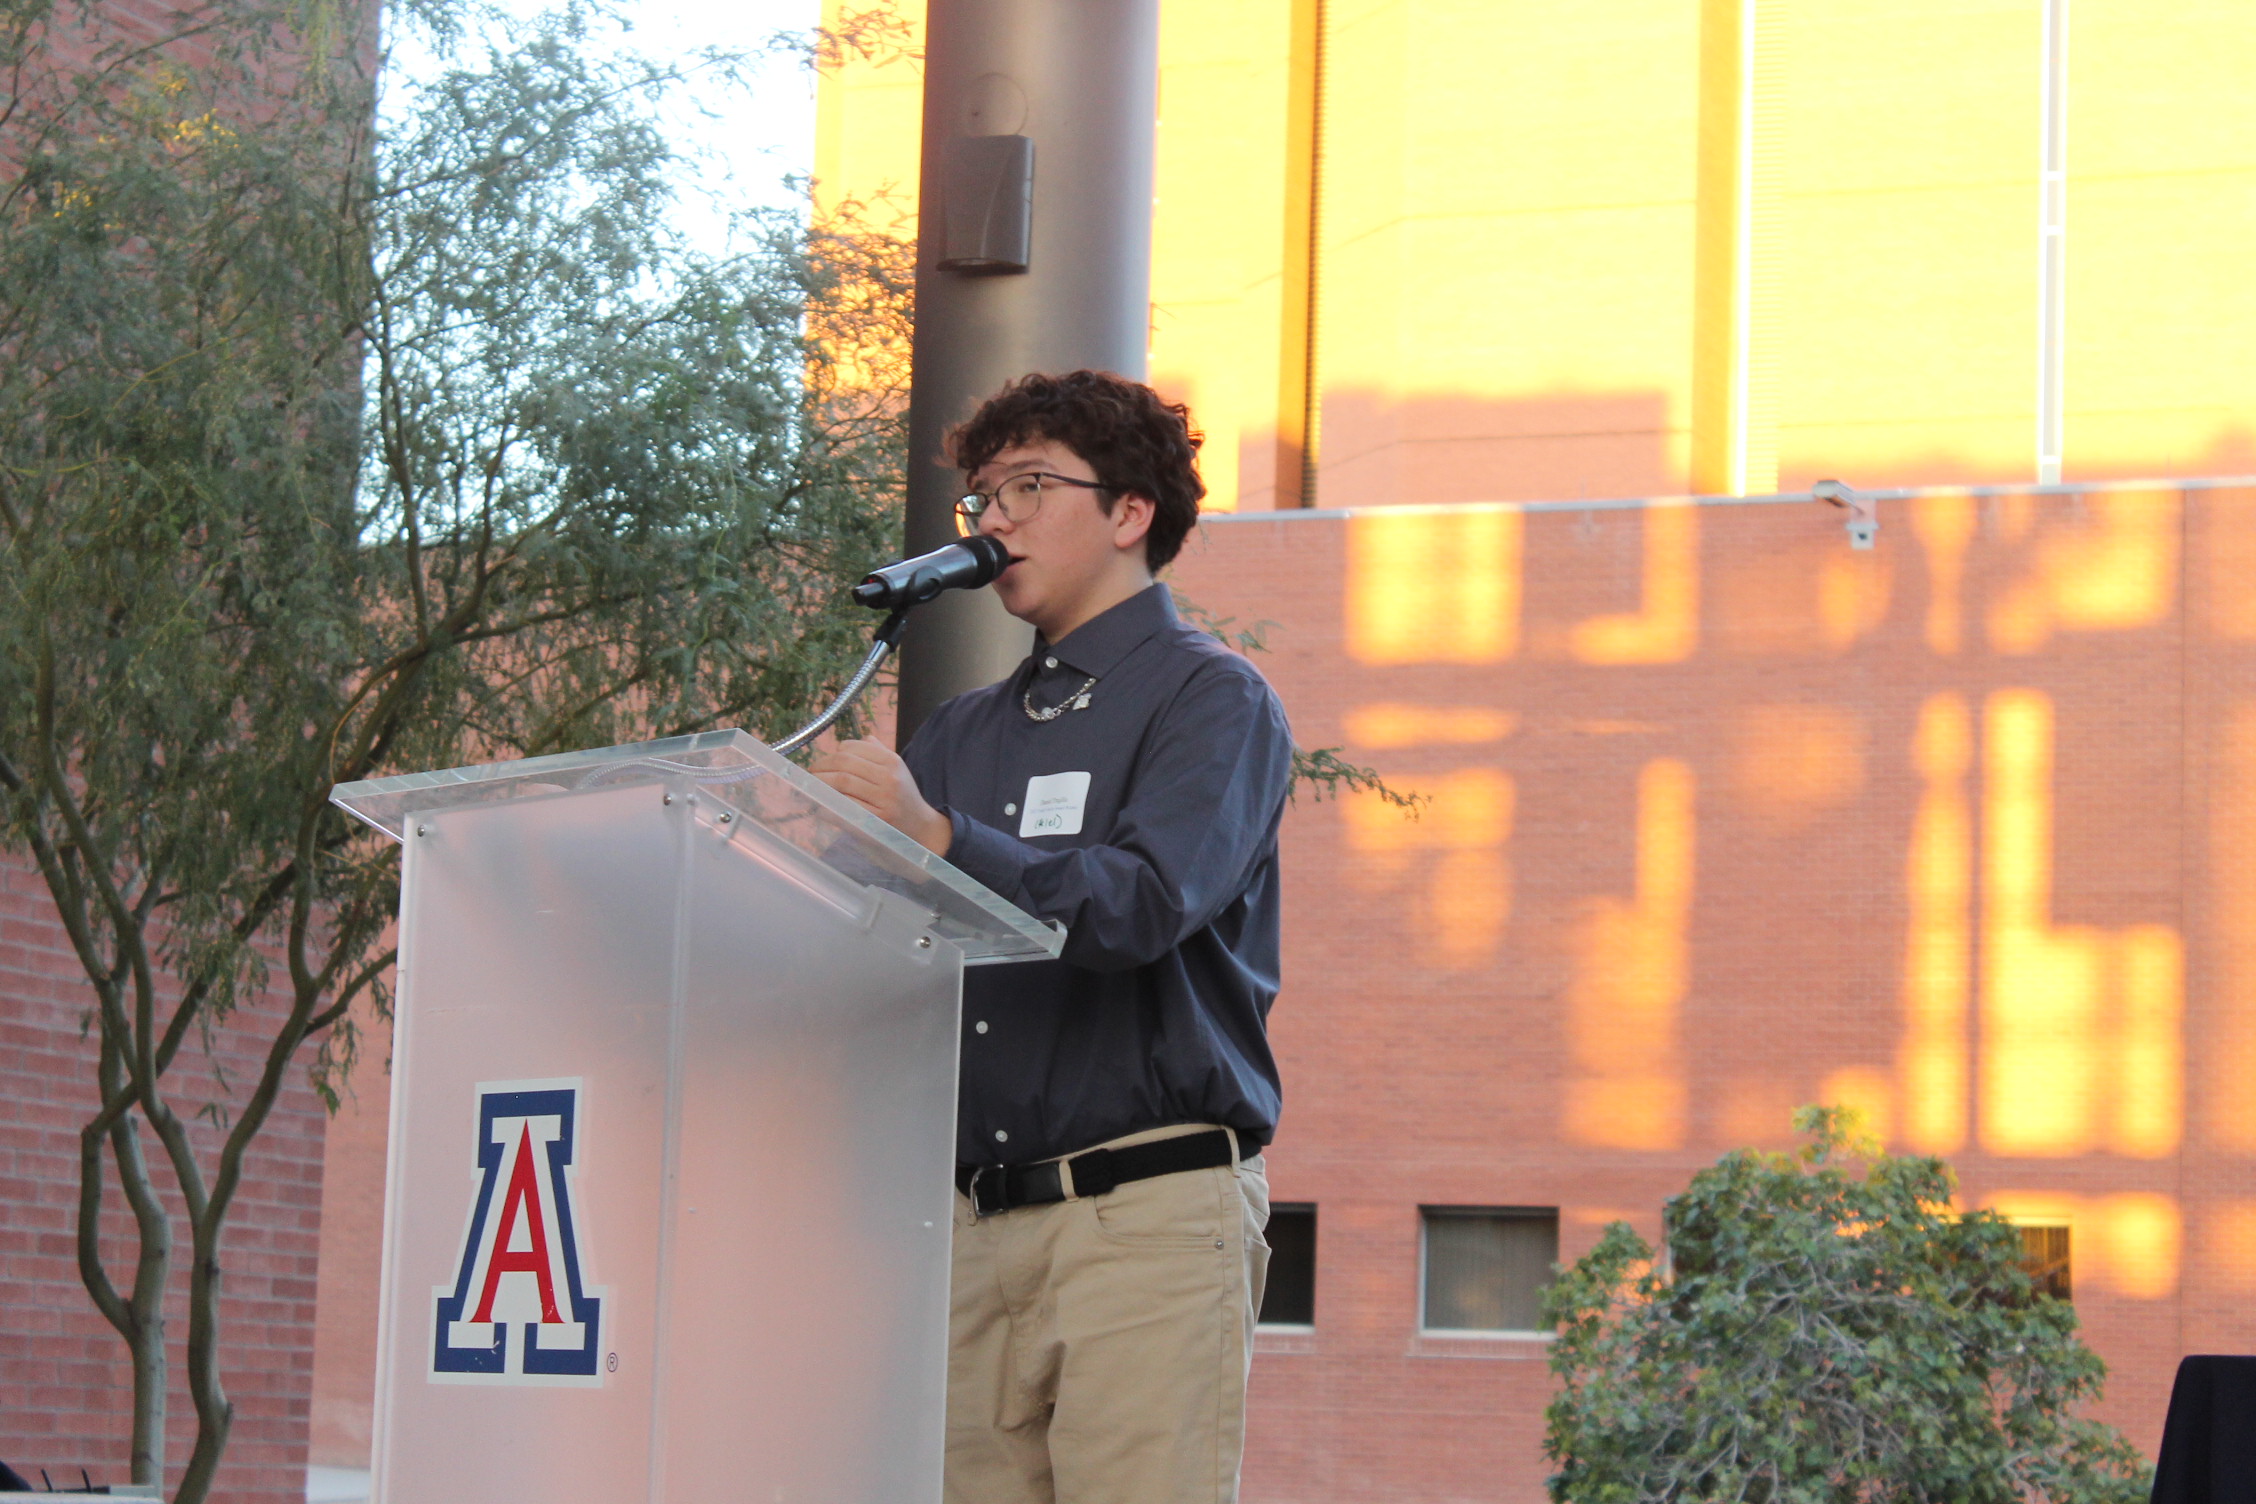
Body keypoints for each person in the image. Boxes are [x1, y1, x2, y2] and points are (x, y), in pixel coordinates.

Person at [811, 369, 1294, 1504]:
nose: (995, 517)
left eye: (1031, 485)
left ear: (1131, 514)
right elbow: (867, 942)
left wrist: (933, 831)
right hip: (968, 1226)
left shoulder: (1212, 699)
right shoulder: (960, 731)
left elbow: (1138, 904)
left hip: (1146, 1218)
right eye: (982, 493)